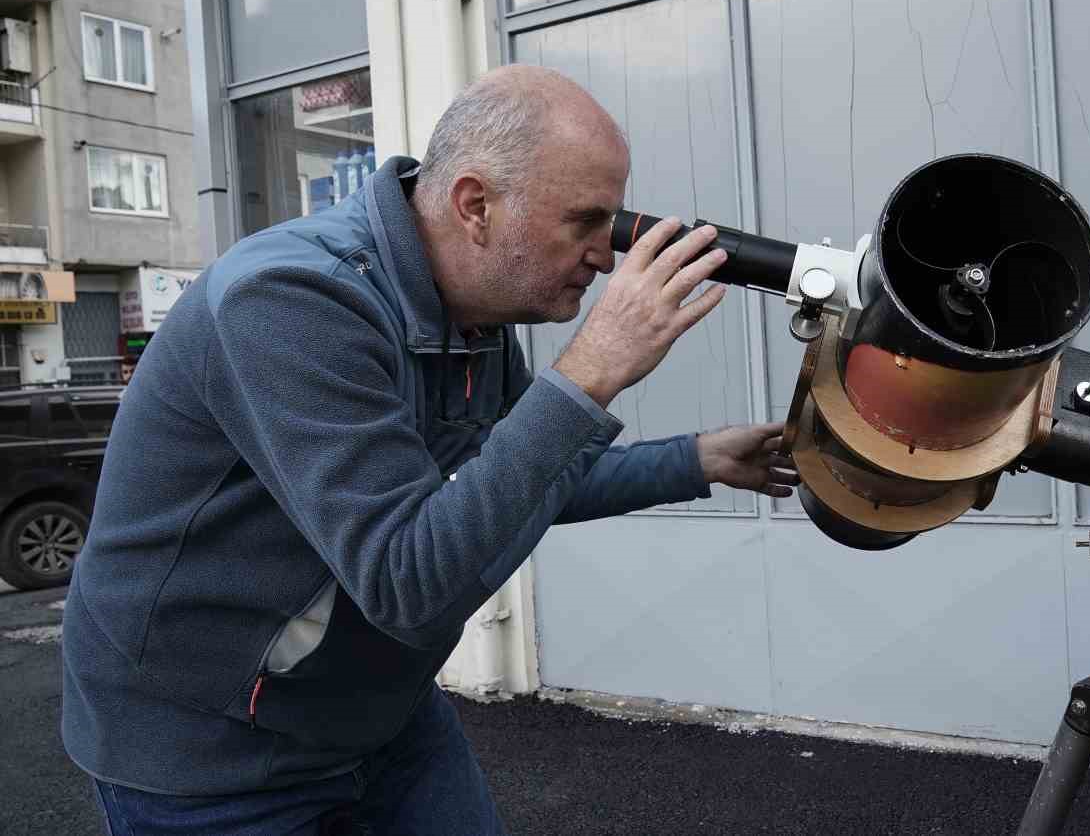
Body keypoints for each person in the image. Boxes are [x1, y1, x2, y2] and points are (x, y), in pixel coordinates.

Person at [60, 64, 799, 835]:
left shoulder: (474, 319)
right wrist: (591, 370)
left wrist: (700, 459)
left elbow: (519, 480)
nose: (606, 257)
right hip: (208, 748)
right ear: (474, 204)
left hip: (375, 710)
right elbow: (407, 582)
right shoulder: (289, 302)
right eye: (584, 223)